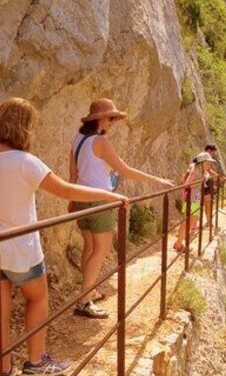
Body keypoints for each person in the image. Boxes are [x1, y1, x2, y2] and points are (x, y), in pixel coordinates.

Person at [0, 98, 126, 376]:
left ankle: (4, 372)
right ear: (25, 128)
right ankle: (36, 362)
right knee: (36, 298)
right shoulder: (25, 162)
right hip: (21, 246)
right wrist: (109, 195)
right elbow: (65, 189)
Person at [69, 99, 174, 319]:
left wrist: (72, 200)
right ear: (100, 119)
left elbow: (73, 174)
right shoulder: (100, 141)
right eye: (110, 118)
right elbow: (123, 169)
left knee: (89, 247)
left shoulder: (78, 139)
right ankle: (85, 301)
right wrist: (156, 179)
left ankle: (89, 291)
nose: (113, 122)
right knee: (101, 249)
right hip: (100, 200)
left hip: (81, 198)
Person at [173, 152, 217, 253]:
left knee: (191, 223)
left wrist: (204, 178)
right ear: (202, 163)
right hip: (191, 198)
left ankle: (179, 243)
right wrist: (201, 181)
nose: (209, 165)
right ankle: (179, 244)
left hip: (195, 198)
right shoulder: (196, 171)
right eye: (207, 162)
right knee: (187, 222)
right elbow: (187, 185)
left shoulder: (201, 171)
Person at [191, 145, 226, 228]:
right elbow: (196, 170)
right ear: (208, 150)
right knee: (200, 203)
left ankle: (207, 221)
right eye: (212, 153)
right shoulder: (200, 158)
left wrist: (218, 177)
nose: (213, 155)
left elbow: (209, 170)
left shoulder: (206, 159)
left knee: (207, 202)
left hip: (206, 182)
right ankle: (194, 225)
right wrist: (219, 177)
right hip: (201, 182)